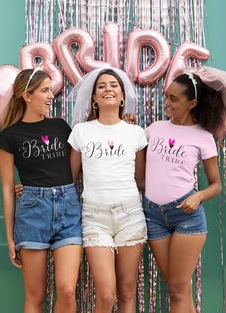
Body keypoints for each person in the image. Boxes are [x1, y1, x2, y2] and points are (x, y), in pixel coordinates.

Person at [0, 68, 82, 313]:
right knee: (36, 297)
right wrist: (10, 237)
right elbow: (6, 189)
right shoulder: (9, 137)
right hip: (32, 213)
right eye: (45, 90)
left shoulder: (61, 127)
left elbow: (73, 168)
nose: (50, 96)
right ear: (27, 95)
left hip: (67, 209)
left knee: (66, 290)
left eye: (50, 91)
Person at [143, 69, 226, 313]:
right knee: (178, 289)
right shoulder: (154, 129)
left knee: (178, 290)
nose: (166, 103)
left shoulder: (203, 137)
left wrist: (197, 196)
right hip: (153, 216)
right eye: (167, 96)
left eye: (174, 99)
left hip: (186, 216)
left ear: (192, 103)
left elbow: (216, 185)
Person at [68, 67, 147, 313]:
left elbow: (141, 180)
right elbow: (69, 178)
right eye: (101, 86)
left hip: (130, 215)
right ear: (94, 98)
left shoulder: (136, 133)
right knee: (106, 294)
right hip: (95, 218)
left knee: (126, 292)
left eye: (113, 85)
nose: (108, 89)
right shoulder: (81, 131)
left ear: (122, 97)